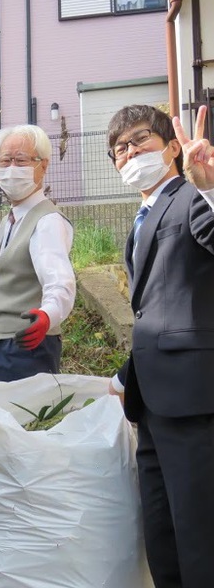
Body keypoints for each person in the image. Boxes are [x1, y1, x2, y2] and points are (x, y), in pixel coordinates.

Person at [107, 104, 214, 587]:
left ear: (172, 146)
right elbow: (157, 309)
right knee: (163, 531)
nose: (129, 153)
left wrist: (210, 186)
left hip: (195, 401)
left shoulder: (191, 198)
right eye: (119, 149)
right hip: (150, 403)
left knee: (200, 534)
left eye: (139, 141)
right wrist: (125, 377)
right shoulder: (143, 214)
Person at [0, 124, 75, 381]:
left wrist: (47, 316)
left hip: (26, 345)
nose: (11, 169)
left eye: (21, 160)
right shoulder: (9, 220)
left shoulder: (47, 221)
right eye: (4, 161)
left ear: (44, 165)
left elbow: (60, 283)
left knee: (20, 420)